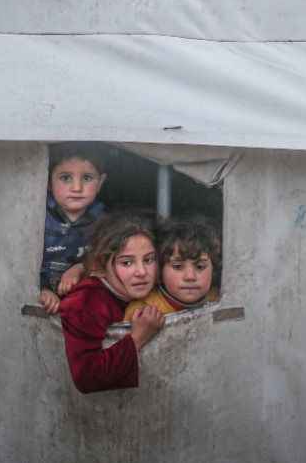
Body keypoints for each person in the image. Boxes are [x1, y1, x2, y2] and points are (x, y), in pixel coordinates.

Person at [59, 214, 165, 393]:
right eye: (127, 263)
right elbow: (86, 376)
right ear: (100, 267)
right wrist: (137, 339)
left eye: (148, 260)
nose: (141, 272)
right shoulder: (84, 303)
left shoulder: (156, 286)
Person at [37, 143, 108, 315]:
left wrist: (81, 267)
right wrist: (41, 290)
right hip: (42, 294)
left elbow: (110, 260)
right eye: (65, 178)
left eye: (87, 178)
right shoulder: (37, 217)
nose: (77, 188)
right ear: (48, 181)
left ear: (100, 182)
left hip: (82, 301)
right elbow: (19, 263)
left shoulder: (105, 221)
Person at [124, 218, 221, 319]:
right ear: (160, 272)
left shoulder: (221, 299)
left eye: (200, 267)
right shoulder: (141, 311)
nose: (190, 277)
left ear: (213, 269)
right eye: (177, 266)